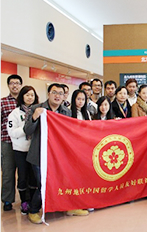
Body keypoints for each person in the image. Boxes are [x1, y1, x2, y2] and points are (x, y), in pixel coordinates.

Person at [24, 83, 88, 224]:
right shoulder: (37, 108)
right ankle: (33, 210)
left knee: (65, 181)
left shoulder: (65, 111)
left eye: (60, 93)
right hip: (40, 154)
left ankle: (69, 207)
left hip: (60, 155)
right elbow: (27, 131)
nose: (57, 96)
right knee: (43, 183)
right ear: (48, 94)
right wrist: (34, 117)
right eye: (54, 92)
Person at [7, 86, 38, 215]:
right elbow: (12, 132)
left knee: (33, 176)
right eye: (27, 95)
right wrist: (26, 129)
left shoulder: (38, 111)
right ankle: (24, 201)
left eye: (32, 95)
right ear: (22, 97)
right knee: (22, 176)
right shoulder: (15, 113)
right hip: (20, 149)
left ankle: (32, 201)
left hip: (34, 148)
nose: (30, 97)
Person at [1, 74, 23, 211]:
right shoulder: (2, 102)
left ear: (21, 85)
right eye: (12, 83)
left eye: (17, 83)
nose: (15, 85)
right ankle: (7, 200)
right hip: (7, 142)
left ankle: (24, 199)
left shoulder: (26, 101)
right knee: (8, 172)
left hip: (23, 143)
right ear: (8, 85)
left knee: (24, 171)